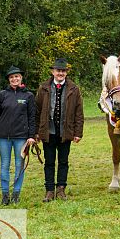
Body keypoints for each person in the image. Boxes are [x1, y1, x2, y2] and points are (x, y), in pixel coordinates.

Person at [35, 58, 84, 202]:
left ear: (66, 72)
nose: (60, 73)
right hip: (48, 132)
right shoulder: (43, 88)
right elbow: (37, 111)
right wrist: (37, 131)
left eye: (63, 71)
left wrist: (78, 133)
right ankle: (49, 190)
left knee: (63, 162)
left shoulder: (74, 89)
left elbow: (79, 113)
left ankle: (61, 189)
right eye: (58, 71)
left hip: (65, 132)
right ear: (53, 72)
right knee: (49, 162)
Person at [0, 66, 36, 205]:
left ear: (21, 78)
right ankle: (5, 195)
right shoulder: (2, 95)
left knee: (19, 165)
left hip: (21, 137)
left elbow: (32, 117)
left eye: (17, 76)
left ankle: (16, 193)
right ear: (9, 80)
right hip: (4, 137)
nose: (14, 79)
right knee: (4, 165)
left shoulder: (28, 95)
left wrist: (31, 136)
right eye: (11, 77)